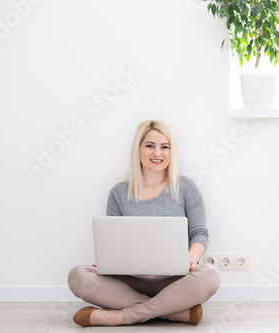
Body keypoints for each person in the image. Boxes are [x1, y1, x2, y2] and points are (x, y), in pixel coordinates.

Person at [67, 120, 221, 326]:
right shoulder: (118, 193)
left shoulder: (186, 188)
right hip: (128, 281)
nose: (157, 153)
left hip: (175, 280)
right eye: (150, 145)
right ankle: (170, 312)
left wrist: (191, 257)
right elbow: (112, 239)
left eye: (164, 147)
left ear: (171, 152)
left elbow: (199, 233)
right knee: (77, 275)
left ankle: (121, 316)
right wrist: (107, 261)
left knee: (211, 274)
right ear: (138, 149)